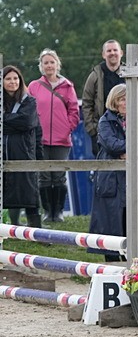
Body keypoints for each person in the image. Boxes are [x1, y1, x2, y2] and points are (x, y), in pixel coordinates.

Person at [28, 49, 80, 222]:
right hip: (40, 139)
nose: (49, 65)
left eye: (52, 62)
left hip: (62, 139)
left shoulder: (68, 86)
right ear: (41, 66)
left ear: (57, 64)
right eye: (46, 62)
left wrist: (68, 128)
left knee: (58, 175)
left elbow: (74, 110)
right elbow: (28, 110)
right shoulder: (34, 86)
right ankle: (47, 212)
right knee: (43, 176)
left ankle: (58, 212)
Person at [88, 85, 127, 261]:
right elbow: (111, 145)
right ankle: (111, 263)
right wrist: (137, 146)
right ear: (115, 101)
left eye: (128, 98)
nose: (126, 102)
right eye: (122, 99)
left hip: (132, 178)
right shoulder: (105, 121)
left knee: (130, 219)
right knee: (110, 221)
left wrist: (130, 149)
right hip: (110, 178)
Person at [2, 66, 43, 227]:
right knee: (6, 191)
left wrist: (4, 119)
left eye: (15, 78)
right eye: (8, 79)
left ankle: (37, 231)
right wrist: (13, 120)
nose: (13, 82)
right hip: (4, 154)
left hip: (24, 153)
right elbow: (18, 122)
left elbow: (26, 122)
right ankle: (11, 226)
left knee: (29, 193)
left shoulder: (29, 101)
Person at [81, 40, 123, 154]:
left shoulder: (129, 74)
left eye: (115, 50)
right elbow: (86, 103)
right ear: (104, 54)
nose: (112, 53)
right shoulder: (95, 75)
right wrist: (92, 129)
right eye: (109, 50)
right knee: (103, 168)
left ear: (121, 53)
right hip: (102, 130)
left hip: (125, 129)